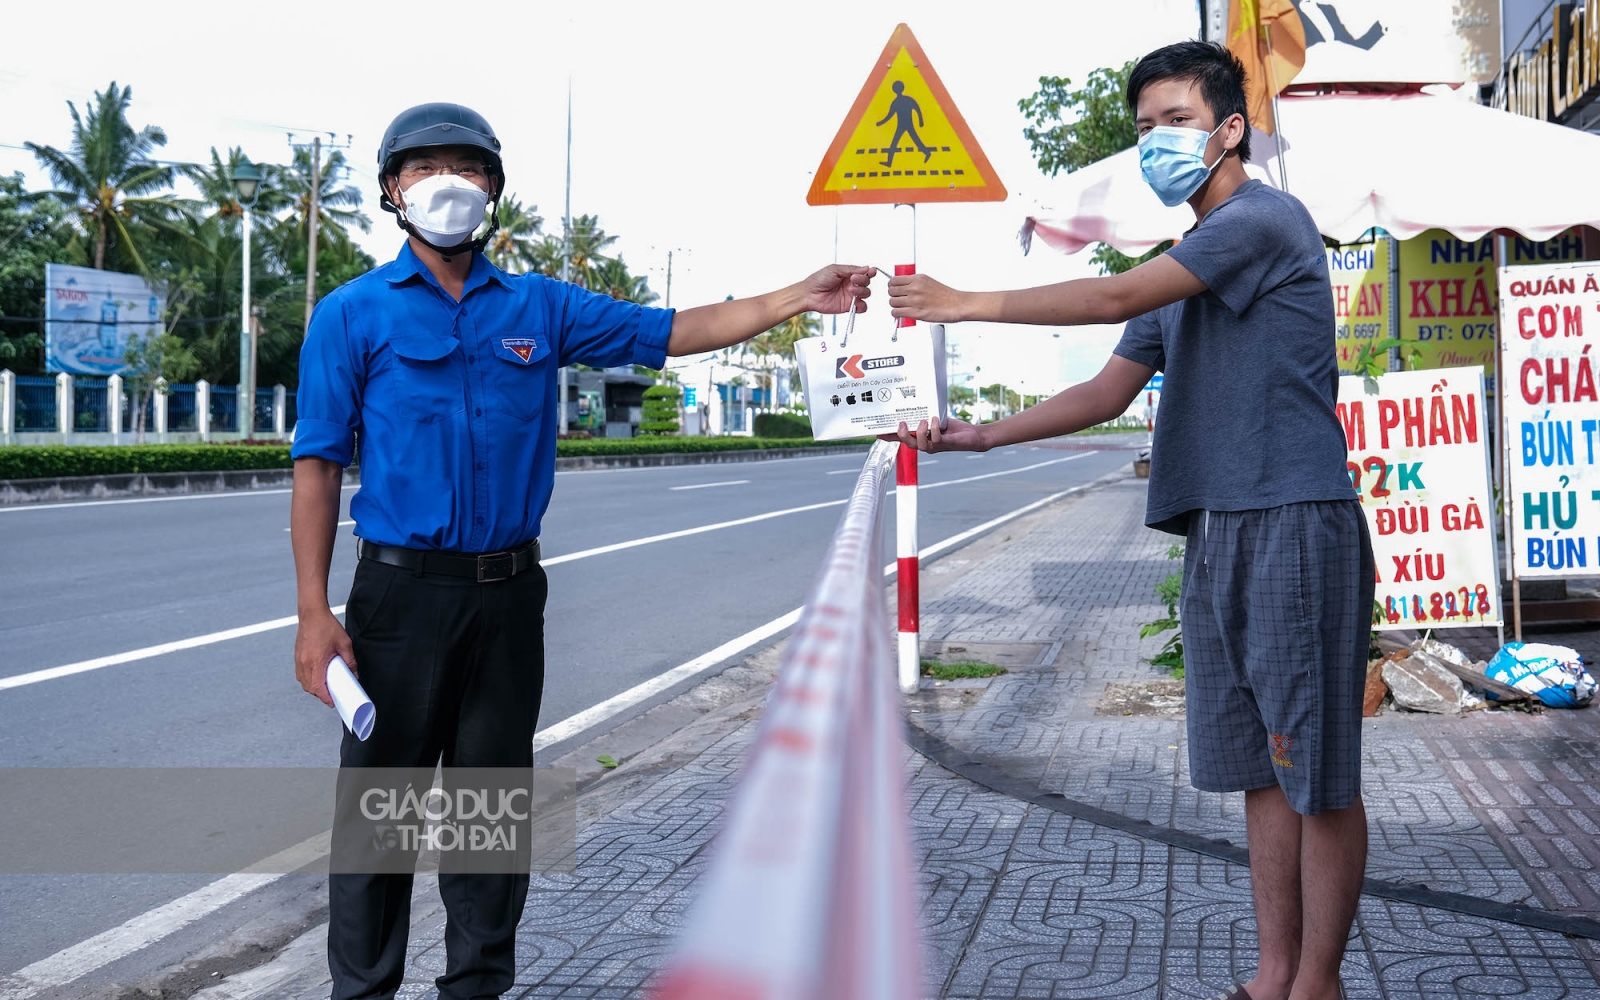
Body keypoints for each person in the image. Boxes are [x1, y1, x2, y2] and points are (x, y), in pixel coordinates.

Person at [289, 102, 873, 1000]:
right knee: (381, 821)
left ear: (493, 189)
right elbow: (319, 467)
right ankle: (361, 992)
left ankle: (476, 988)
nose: (447, 182)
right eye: (423, 168)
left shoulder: (541, 307)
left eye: (467, 166)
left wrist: (800, 293)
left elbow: (675, 331)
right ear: (391, 192)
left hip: (508, 600)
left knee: (490, 816)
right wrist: (315, 613)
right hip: (396, 602)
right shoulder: (352, 314)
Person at [886, 42, 1371, 1000]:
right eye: (1145, 126)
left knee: (1314, 772)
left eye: (1177, 121)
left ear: (1230, 130)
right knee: (1258, 771)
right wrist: (977, 436)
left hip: (1292, 518)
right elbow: (1106, 391)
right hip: (1216, 526)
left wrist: (961, 304)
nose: (1157, 140)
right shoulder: (1181, 263)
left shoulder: (1263, 221)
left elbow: (1109, 295)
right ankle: (1270, 978)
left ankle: (1317, 985)